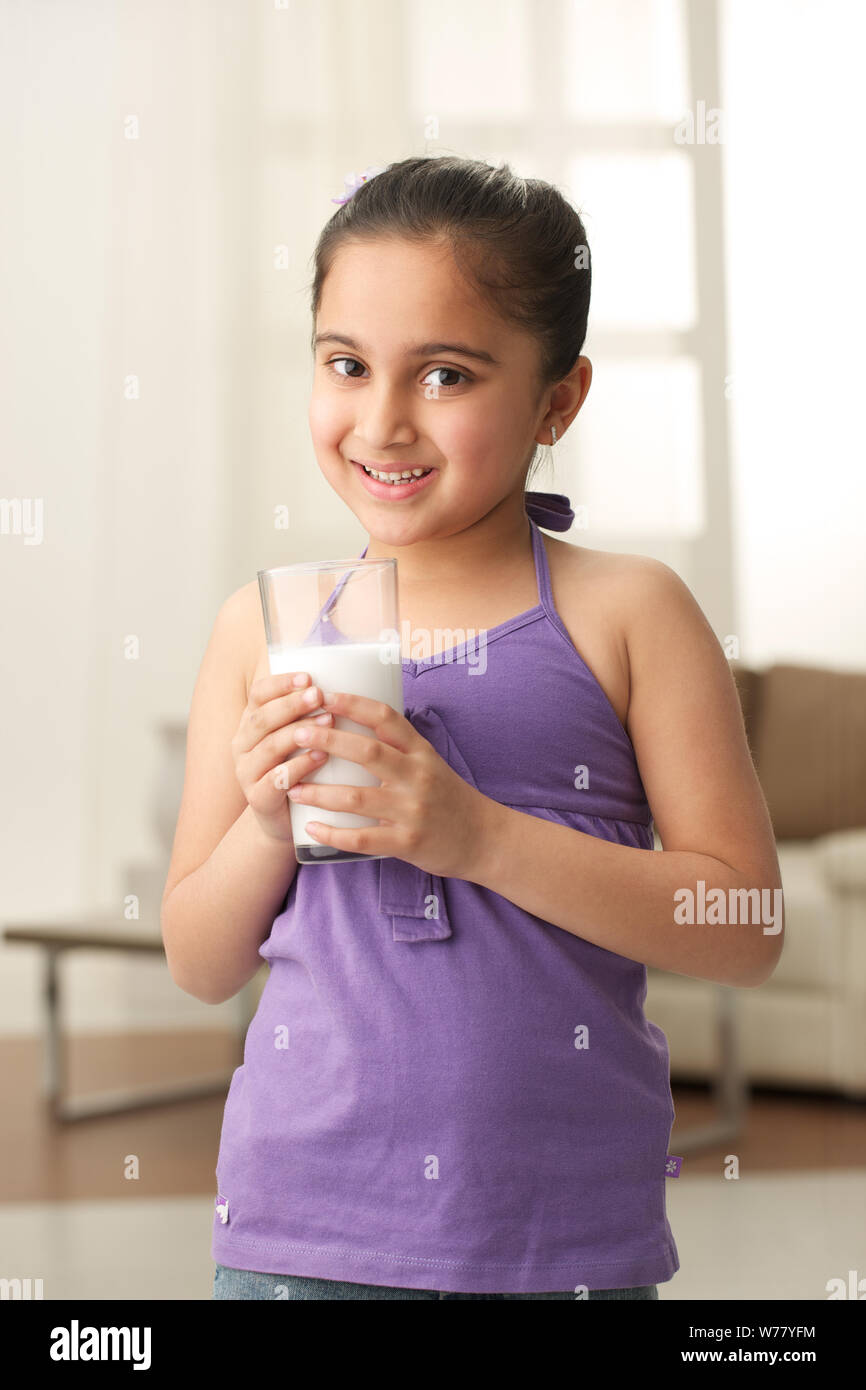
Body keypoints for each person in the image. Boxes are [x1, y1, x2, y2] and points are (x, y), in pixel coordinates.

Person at [161, 155, 783, 1300]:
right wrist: (261, 824)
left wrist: (472, 836)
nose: (383, 420)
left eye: (445, 374)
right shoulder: (261, 631)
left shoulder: (627, 612)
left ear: (559, 398)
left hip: (557, 1246)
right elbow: (200, 962)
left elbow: (742, 922)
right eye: (345, 364)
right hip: (299, 1236)